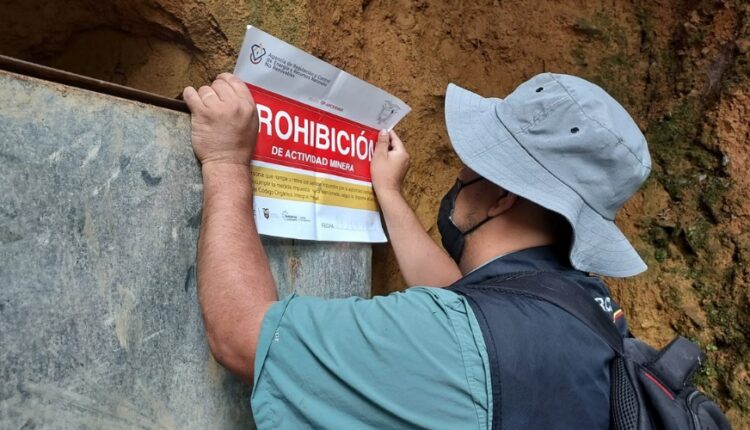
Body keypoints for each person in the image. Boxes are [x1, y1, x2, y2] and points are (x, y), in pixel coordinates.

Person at [182, 71, 650, 429]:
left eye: (470, 167)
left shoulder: (452, 344)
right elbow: (469, 305)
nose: (459, 178)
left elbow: (243, 335)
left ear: (503, 196)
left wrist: (225, 159)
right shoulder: (582, 306)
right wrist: (389, 194)